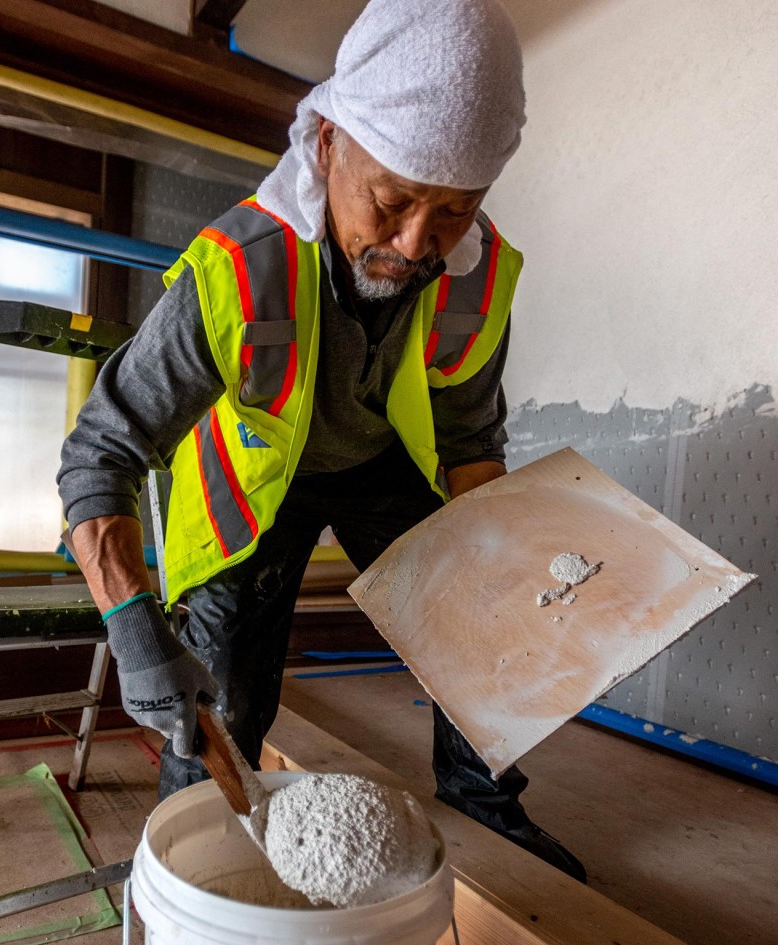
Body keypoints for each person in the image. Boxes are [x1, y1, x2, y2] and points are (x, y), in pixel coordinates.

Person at [58, 0, 586, 882]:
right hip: (260, 480)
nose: (418, 244)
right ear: (329, 143)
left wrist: (503, 576)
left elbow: (468, 440)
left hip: (384, 463)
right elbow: (99, 452)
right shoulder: (237, 266)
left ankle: (485, 807)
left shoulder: (476, 273)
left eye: (455, 212)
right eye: (393, 201)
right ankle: (198, 852)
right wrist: (131, 622)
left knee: (475, 609)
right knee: (220, 694)